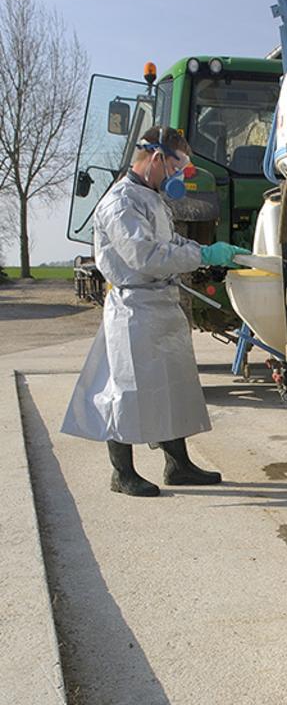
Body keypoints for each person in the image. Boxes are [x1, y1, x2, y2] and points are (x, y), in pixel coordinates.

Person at [61, 126, 249, 497]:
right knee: (126, 389)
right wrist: (202, 255)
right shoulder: (120, 204)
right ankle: (122, 472)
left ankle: (178, 465)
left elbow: (168, 241)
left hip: (161, 303)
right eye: (177, 166)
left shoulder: (151, 197)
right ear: (156, 157)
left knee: (174, 386)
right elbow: (143, 256)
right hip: (134, 307)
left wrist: (205, 250)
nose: (179, 175)